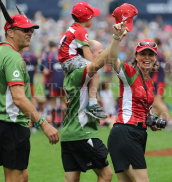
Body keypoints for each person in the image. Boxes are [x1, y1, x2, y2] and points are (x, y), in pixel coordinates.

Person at [0, 2, 59, 182]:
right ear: (10, 32)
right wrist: (44, 124)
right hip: (12, 123)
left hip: (1, 122)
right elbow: (18, 97)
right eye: (24, 30)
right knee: (14, 177)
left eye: (31, 29)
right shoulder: (13, 57)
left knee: (23, 176)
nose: (29, 33)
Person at [60, 23, 128, 182]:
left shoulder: (71, 74)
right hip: (82, 133)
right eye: (99, 52)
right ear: (88, 53)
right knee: (106, 175)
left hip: (69, 135)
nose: (102, 55)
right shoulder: (80, 73)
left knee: (71, 179)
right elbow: (96, 64)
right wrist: (116, 38)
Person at [108, 24, 162, 182]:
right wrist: (117, 37)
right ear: (136, 57)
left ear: (155, 57)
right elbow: (112, 60)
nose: (147, 58)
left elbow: (145, 107)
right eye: (143, 54)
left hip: (138, 134)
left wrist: (151, 120)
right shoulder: (130, 73)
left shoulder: (150, 82)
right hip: (125, 132)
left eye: (150, 54)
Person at [58, 2, 107, 119]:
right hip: (71, 60)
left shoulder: (73, 28)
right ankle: (92, 103)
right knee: (95, 72)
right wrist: (93, 66)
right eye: (92, 17)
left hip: (67, 60)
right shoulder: (81, 30)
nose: (93, 19)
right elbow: (86, 51)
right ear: (87, 18)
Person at [42, 41, 66, 127]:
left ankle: (55, 122)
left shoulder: (48, 56)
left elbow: (46, 71)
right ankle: (63, 122)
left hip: (53, 83)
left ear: (49, 46)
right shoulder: (62, 55)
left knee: (53, 103)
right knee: (63, 102)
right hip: (63, 83)